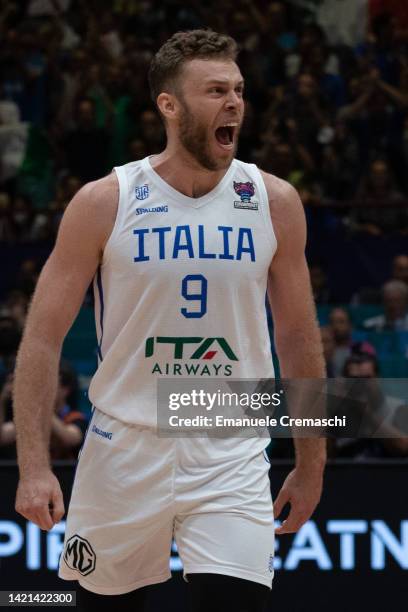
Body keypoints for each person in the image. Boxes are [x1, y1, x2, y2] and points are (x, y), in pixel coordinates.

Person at [13, 30, 326, 612]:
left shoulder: (275, 201)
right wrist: (34, 467)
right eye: (214, 91)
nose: (233, 103)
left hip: (231, 447)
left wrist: (311, 464)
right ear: (169, 105)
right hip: (124, 447)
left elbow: (298, 338)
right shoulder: (105, 201)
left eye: (237, 90)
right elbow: (42, 337)